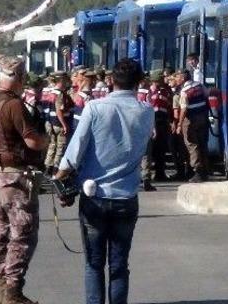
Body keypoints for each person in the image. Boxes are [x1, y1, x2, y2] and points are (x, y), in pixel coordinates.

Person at [56, 58, 154, 304]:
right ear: (139, 81)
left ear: (111, 81)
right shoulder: (146, 111)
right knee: (120, 264)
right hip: (126, 198)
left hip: (94, 197)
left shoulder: (95, 108)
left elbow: (75, 150)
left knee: (94, 263)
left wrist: (60, 177)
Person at [0, 57, 49, 304]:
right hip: (15, 175)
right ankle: (13, 291)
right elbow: (32, 141)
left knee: (0, 229)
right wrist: (46, 139)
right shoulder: (14, 105)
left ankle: (1, 287)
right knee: (23, 232)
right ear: (19, 78)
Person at [176, 68, 210, 183]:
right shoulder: (199, 85)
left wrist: (179, 124)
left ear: (183, 78)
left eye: (177, 77)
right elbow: (207, 96)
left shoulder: (184, 91)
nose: (176, 79)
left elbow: (184, 108)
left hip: (191, 120)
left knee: (192, 145)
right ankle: (205, 171)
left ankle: (198, 171)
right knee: (202, 144)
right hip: (203, 117)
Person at [44, 73, 72, 176]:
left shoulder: (50, 92)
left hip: (49, 122)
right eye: (65, 80)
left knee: (52, 145)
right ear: (61, 80)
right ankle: (55, 170)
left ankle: (47, 168)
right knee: (60, 147)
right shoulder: (60, 94)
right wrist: (64, 124)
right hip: (58, 123)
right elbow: (59, 110)